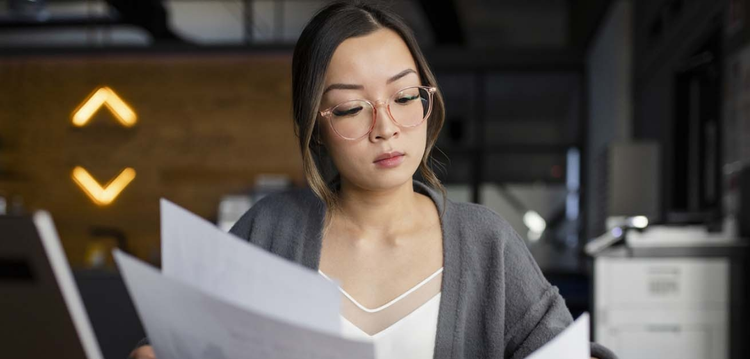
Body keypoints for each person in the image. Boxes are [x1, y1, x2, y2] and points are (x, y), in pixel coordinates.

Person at [131, 2, 617, 359]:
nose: (386, 127)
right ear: (316, 126)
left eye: (405, 97)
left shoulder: (484, 240)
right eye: (349, 107)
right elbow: (171, 341)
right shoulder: (270, 230)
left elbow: (565, 349)